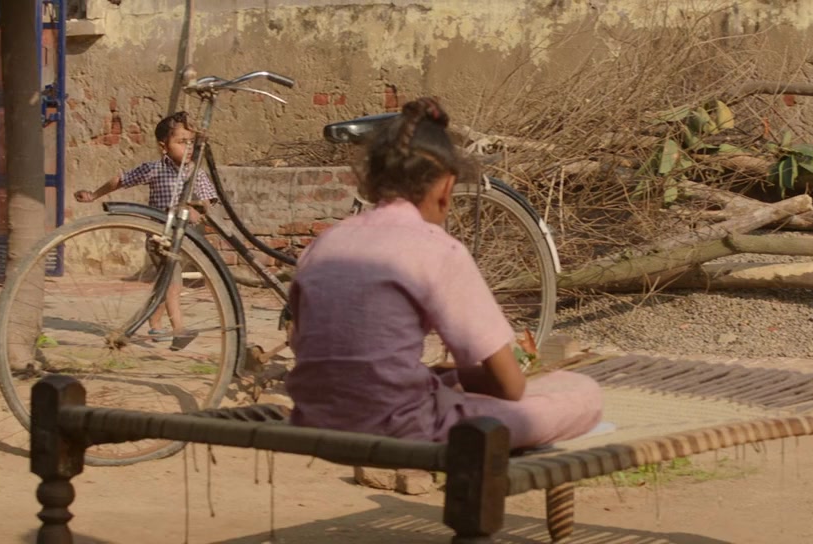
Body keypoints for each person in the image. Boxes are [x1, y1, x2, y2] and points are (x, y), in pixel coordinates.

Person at [284, 97, 603, 450]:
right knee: (583, 393)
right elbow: (509, 387)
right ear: (447, 188)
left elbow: (306, 345)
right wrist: (465, 378)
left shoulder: (326, 243)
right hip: (403, 428)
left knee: (438, 382)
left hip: (313, 418)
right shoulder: (437, 249)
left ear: (371, 183)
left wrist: (438, 377)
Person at [73, 111, 216, 350]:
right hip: (160, 237)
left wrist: (197, 209)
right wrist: (94, 195)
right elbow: (121, 179)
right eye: (181, 142)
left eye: (191, 142)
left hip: (184, 239)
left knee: (165, 285)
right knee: (173, 283)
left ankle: (154, 324)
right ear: (163, 146)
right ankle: (179, 330)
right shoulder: (155, 169)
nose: (188, 148)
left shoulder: (196, 172)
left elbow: (207, 201)